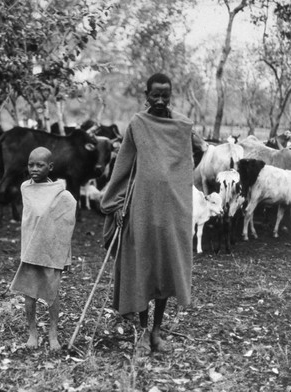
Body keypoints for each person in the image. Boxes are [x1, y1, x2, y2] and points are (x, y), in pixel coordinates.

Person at [100, 73, 193, 355]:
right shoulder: (137, 124)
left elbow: (188, 164)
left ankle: (156, 332)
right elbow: (123, 165)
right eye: (156, 95)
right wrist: (117, 204)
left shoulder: (182, 126)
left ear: (171, 94)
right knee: (142, 269)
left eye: (166, 95)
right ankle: (141, 332)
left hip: (173, 211)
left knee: (165, 270)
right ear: (146, 95)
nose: (161, 100)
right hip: (141, 209)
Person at [10, 147, 77, 350]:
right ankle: (32, 333)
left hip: (51, 250)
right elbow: (30, 218)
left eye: (40, 165)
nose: (34, 169)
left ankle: (53, 334)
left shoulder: (61, 193)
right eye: (31, 164)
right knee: (29, 293)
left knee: (52, 293)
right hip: (30, 248)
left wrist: (64, 254)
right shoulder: (25, 188)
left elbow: (65, 221)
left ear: (50, 167)